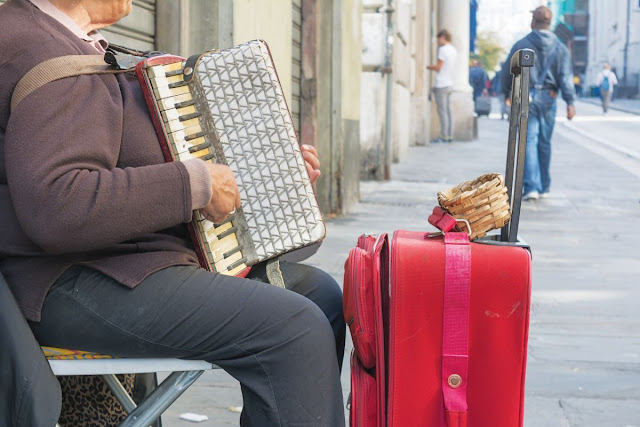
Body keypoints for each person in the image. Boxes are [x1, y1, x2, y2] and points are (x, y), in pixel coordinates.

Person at [0, 0, 346, 426]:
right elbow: (61, 204)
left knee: (320, 295)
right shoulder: (35, 47)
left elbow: (134, 160)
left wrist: (263, 173)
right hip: (67, 278)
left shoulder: (71, 40)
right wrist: (194, 184)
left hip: (131, 259)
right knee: (293, 329)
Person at [501, 6, 576, 201]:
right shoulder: (560, 47)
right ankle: (544, 186)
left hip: (527, 95)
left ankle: (532, 186)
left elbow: (507, 71)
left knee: (530, 140)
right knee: (544, 142)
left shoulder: (522, 44)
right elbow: (566, 76)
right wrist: (570, 102)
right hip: (549, 97)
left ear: (534, 22)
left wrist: (506, 93)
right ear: (549, 23)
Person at [427, 29, 458, 143]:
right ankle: (450, 135)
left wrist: (429, 67)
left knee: (442, 111)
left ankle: (443, 136)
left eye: (438, 38)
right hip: (450, 84)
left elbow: (439, 67)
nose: (438, 41)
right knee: (449, 111)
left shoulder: (443, 50)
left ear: (443, 37)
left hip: (441, 84)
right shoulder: (454, 50)